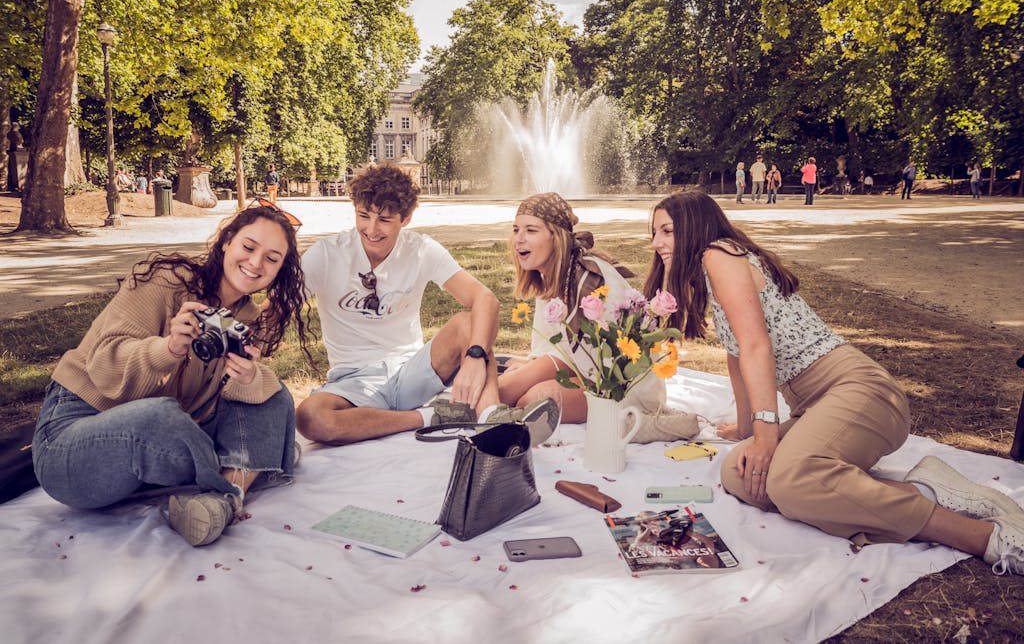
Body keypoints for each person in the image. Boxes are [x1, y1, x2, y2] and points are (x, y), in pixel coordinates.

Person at [644, 190, 1024, 576]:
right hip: (817, 406)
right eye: (654, 232)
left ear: (694, 227)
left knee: (790, 481)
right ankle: (925, 492)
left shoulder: (717, 253)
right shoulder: (715, 266)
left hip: (861, 392)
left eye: (667, 231)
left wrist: (764, 434)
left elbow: (757, 346)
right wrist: (746, 432)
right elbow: (738, 355)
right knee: (739, 474)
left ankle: (983, 537)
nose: (656, 243)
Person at [32, 204, 312, 547]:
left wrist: (249, 376)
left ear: (280, 270)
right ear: (226, 242)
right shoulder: (166, 280)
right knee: (160, 416)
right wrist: (167, 349)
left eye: (272, 258)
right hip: (75, 442)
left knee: (272, 393)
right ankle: (245, 472)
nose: (256, 263)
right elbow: (103, 366)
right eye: (249, 247)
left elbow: (248, 398)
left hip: (156, 449)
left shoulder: (240, 320)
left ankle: (222, 501)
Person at [296, 165, 557, 447]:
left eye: (384, 220)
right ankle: (432, 417)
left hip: (411, 372)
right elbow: (279, 306)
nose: (371, 230)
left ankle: (493, 421)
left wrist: (474, 356)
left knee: (469, 324)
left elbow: (486, 299)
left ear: (405, 218)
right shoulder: (326, 253)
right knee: (311, 417)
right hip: (353, 382)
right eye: (363, 216)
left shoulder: (421, 249)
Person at [497, 192, 698, 442]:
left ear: (556, 238)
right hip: (580, 369)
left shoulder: (588, 279)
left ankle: (484, 416)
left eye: (531, 230)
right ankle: (481, 411)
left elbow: (599, 358)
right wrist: (532, 366)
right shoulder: (548, 273)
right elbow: (554, 346)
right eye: (516, 230)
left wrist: (534, 370)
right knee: (511, 380)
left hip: (619, 386)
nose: (519, 239)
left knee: (531, 397)